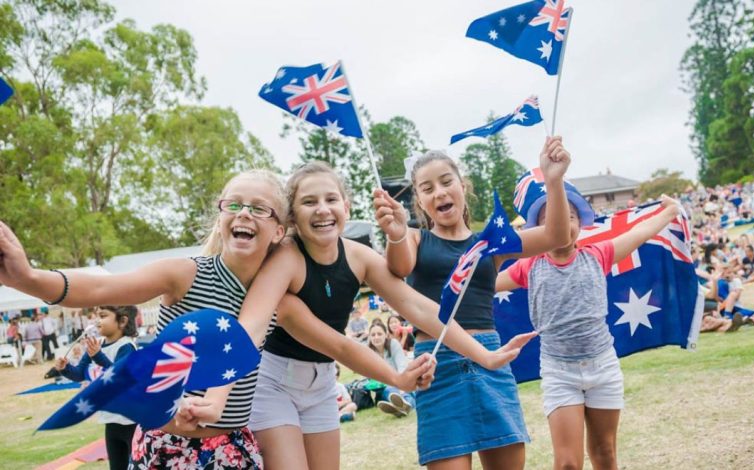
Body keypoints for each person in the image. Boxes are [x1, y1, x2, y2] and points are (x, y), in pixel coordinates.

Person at [0, 169, 435, 470]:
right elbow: (100, 288)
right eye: (235, 205)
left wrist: (398, 379)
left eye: (260, 209)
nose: (245, 213)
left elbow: (340, 346)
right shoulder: (185, 273)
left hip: (233, 448)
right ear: (222, 214)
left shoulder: (277, 300)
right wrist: (29, 278)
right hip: (166, 446)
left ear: (279, 230)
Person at [190, 161, 533, 470]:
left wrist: (484, 355)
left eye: (331, 199)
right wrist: (217, 395)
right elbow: (252, 326)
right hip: (274, 382)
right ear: (291, 217)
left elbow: (419, 307)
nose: (322, 209)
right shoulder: (287, 258)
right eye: (309, 202)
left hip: (322, 383)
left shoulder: (359, 256)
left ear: (346, 206)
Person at [372, 137, 572, 469]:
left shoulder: (492, 241)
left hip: (489, 360)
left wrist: (554, 181)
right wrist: (395, 233)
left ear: (463, 186)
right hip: (437, 369)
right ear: (419, 201)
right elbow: (400, 267)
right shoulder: (415, 238)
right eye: (427, 188)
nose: (439, 192)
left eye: (446, 181)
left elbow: (556, 236)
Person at [496, 190, 684, 470]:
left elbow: (640, 233)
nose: (562, 223)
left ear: (580, 224)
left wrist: (670, 211)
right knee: (568, 464)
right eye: (550, 219)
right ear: (539, 231)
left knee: (605, 453)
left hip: (603, 368)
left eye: (569, 216)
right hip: (559, 373)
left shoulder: (599, 254)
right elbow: (484, 285)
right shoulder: (529, 266)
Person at [55, 306, 139, 470]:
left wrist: (98, 356)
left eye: (103, 316)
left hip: (131, 422)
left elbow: (119, 377)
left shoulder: (126, 347)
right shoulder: (97, 345)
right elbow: (80, 373)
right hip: (111, 419)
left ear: (122, 321)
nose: (97, 321)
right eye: (96, 316)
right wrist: (64, 368)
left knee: (136, 466)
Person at [367, 320, 415, 418]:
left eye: (379, 334)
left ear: (386, 335)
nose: (376, 337)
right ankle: (403, 406)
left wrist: (401, 386)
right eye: (373, 335)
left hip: (401, 382)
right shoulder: (368, 351)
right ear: (370, 337)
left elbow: (402, 367)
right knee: (388, 390)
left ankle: (401, 406)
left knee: (406, 393)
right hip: (383, 387)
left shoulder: (393, 344)